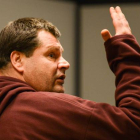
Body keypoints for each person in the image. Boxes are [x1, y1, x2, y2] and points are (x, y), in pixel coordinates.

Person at [0, 6, 140, 140]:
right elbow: (134, 125)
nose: (66, 64)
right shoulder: (42, 109)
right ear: (17, 60)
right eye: (51, 55)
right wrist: (126, 55)